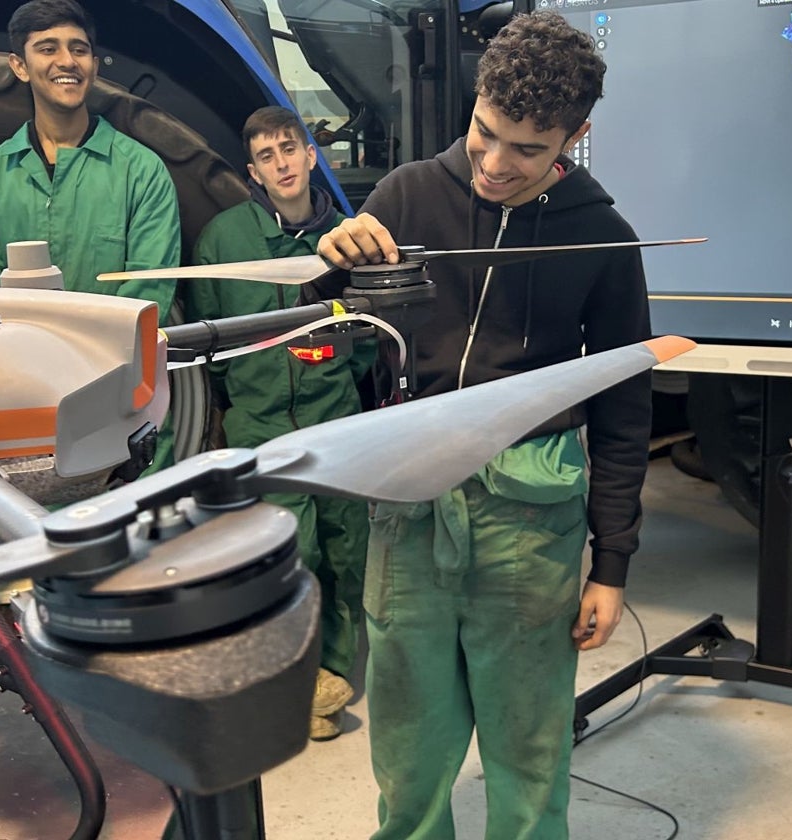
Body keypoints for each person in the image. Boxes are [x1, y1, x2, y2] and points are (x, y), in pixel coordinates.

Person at [315, 11, 651, 838]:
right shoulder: (402, 198)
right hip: (409, 509)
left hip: (530, 524)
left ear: (576, 136)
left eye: (528, 150)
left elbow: (623, 408)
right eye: (484, 134)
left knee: (529, 750)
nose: (495, 166)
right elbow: (324, 344)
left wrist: (611, 564)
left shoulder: (602, 238)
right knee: (409, 755)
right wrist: (326, 272)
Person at [185, 106, 370, 741]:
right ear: (253, 172)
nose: (282, 163)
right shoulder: (223, 243)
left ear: (312, 155)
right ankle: (301, 678)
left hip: (337, 426)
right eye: (267, 156)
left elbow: (369, 340)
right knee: (291, 556)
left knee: (347, 551)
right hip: (262, 430)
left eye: (290, 149)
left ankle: (332, 677)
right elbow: (211, 347)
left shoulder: (349, 240)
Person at [0, 0, 180, 472]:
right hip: (20, 400)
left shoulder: (142, 171)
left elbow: (148, 289)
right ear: (19, 66)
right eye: (48, 48)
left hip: (121, 401)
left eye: (79, 49)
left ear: (94, 66)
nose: (66, 61)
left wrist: (90, 383)